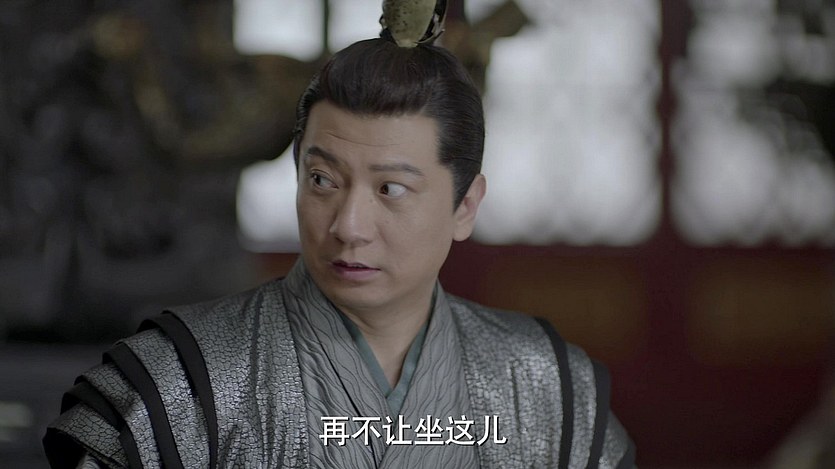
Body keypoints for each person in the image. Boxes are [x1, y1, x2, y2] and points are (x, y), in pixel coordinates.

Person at [43, 33, 636, 469]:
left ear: (465, 206)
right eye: (323, 180)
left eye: (391, 189)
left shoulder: (548, 391)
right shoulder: (177, 383)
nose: (349, 226)